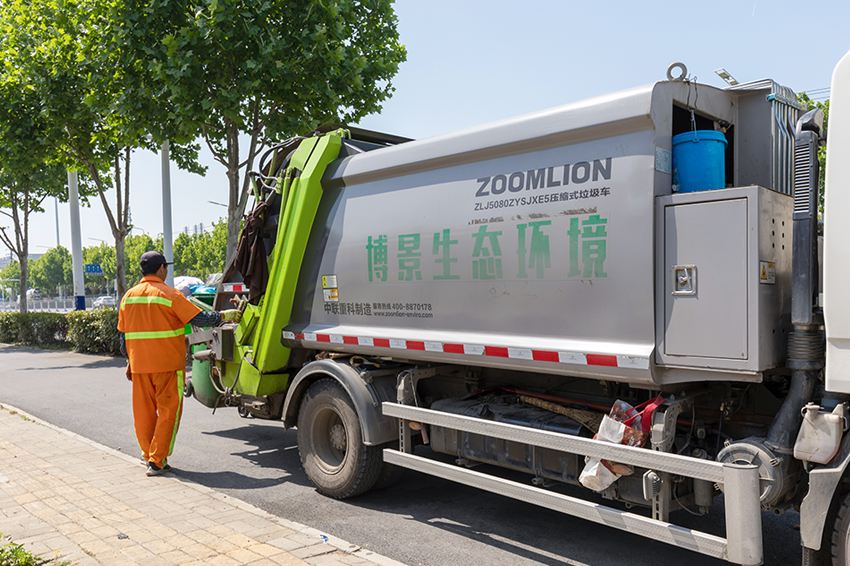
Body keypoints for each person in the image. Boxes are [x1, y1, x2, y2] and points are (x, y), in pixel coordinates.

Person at [117, 251, 241, 476]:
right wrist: (224, 316)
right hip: (167, 366)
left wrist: (129, 361)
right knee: (168, 413)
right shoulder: (170, 295)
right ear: (161, 268)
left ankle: (150, 456)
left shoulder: (129, 297)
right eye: (166, 267)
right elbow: (199, 319)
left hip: (139, 367)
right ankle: (157, 461)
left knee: (143, 414)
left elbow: (123, 337)